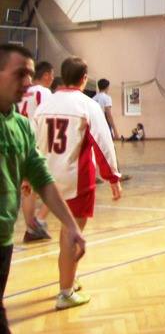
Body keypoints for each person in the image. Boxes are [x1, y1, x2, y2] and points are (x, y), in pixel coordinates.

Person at [0, 45, 87, 330]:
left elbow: (42, 177)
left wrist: (71, 225)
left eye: (30, 74)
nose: (27, 82)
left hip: (3, 240)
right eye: (20, 74)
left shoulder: (23, 127)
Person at [35, 57, 122, 310]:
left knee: (66, 231)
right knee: (71, 233)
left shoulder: (45, 104)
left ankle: (69, 278)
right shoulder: (86, 105)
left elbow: (32, 140)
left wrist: (29, 177)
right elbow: (103, 143)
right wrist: (113, 177)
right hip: (76, 178)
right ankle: (65, 292)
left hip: (47, 178)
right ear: (84, 78)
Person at [18, 60, 54, 242]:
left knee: (27, 188)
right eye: (52, 75)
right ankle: (38, 221)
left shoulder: (18, 91)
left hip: (19, 140)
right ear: (46, 75)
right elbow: (49, 117)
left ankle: (31, 228)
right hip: (37, 142)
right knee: (57, 182)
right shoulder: (43, 92)